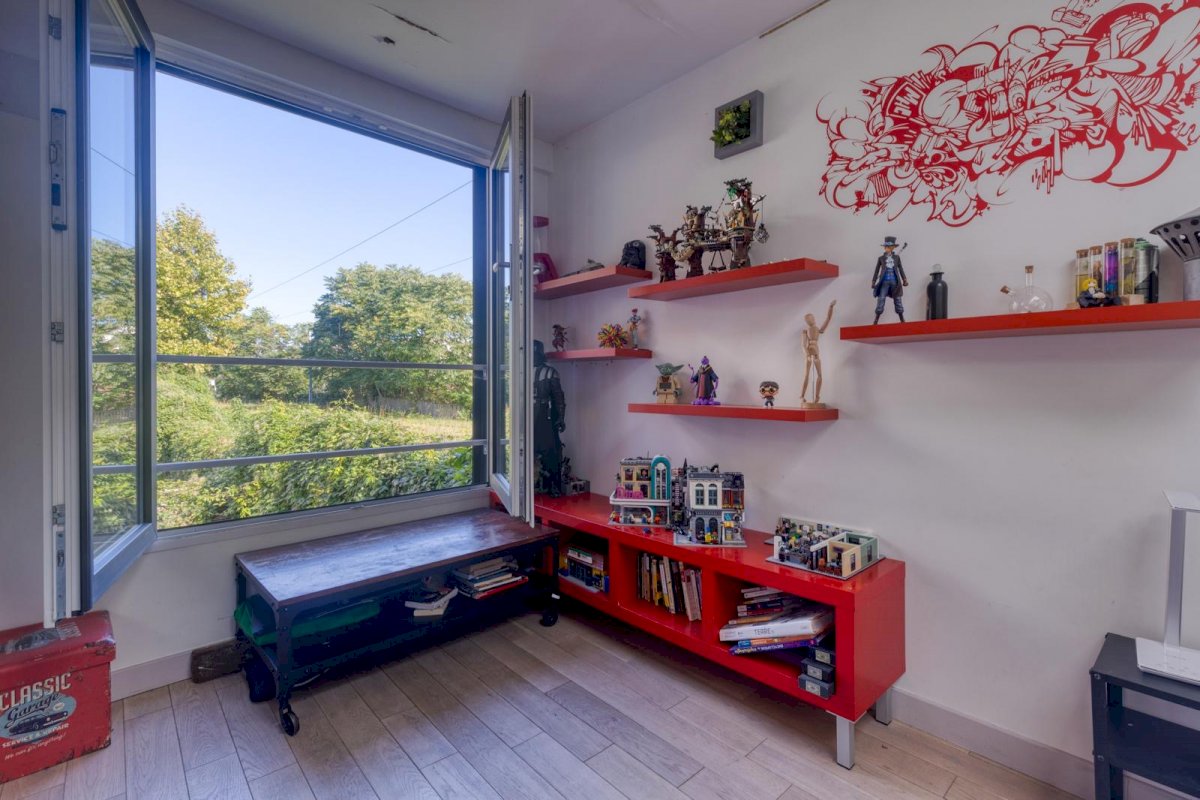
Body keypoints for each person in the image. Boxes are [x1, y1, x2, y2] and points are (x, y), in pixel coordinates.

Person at [532, 340, 566, 496]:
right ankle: (532, 484)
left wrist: (561, 417)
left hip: (544, 415)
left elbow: (559, 398)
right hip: (526, 415)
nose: (533, 357)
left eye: (535, 354)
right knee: (525, 450)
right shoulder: (520, 371)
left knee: (551, 450)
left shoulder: (551, 372)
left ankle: (553, 484)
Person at [800, 300, 836, 406]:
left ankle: (817, 396)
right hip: (809, 354)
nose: (811, 320)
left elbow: (828, 319)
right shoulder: (805, 331)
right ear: (807, 322)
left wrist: (830, 307)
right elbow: (803, 345)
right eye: (809, 320)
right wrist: (807, 354)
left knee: (820, 375)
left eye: (812, 318)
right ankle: (802, 395)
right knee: (806, 375)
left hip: (816, 355)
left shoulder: (817, 329)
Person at [871, 236, 908, 323]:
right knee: (881, 299)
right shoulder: (881, 258)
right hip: (884, 282)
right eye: (885, 246)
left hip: (895, 282)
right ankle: (876, 319)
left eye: (888, 247)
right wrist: (873, 281)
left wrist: (904, 279)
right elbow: (876, 271)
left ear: (892, 247)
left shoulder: (896, 258)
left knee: (898, 300)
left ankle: (902, 319)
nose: (886, 248)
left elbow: (901, 269)